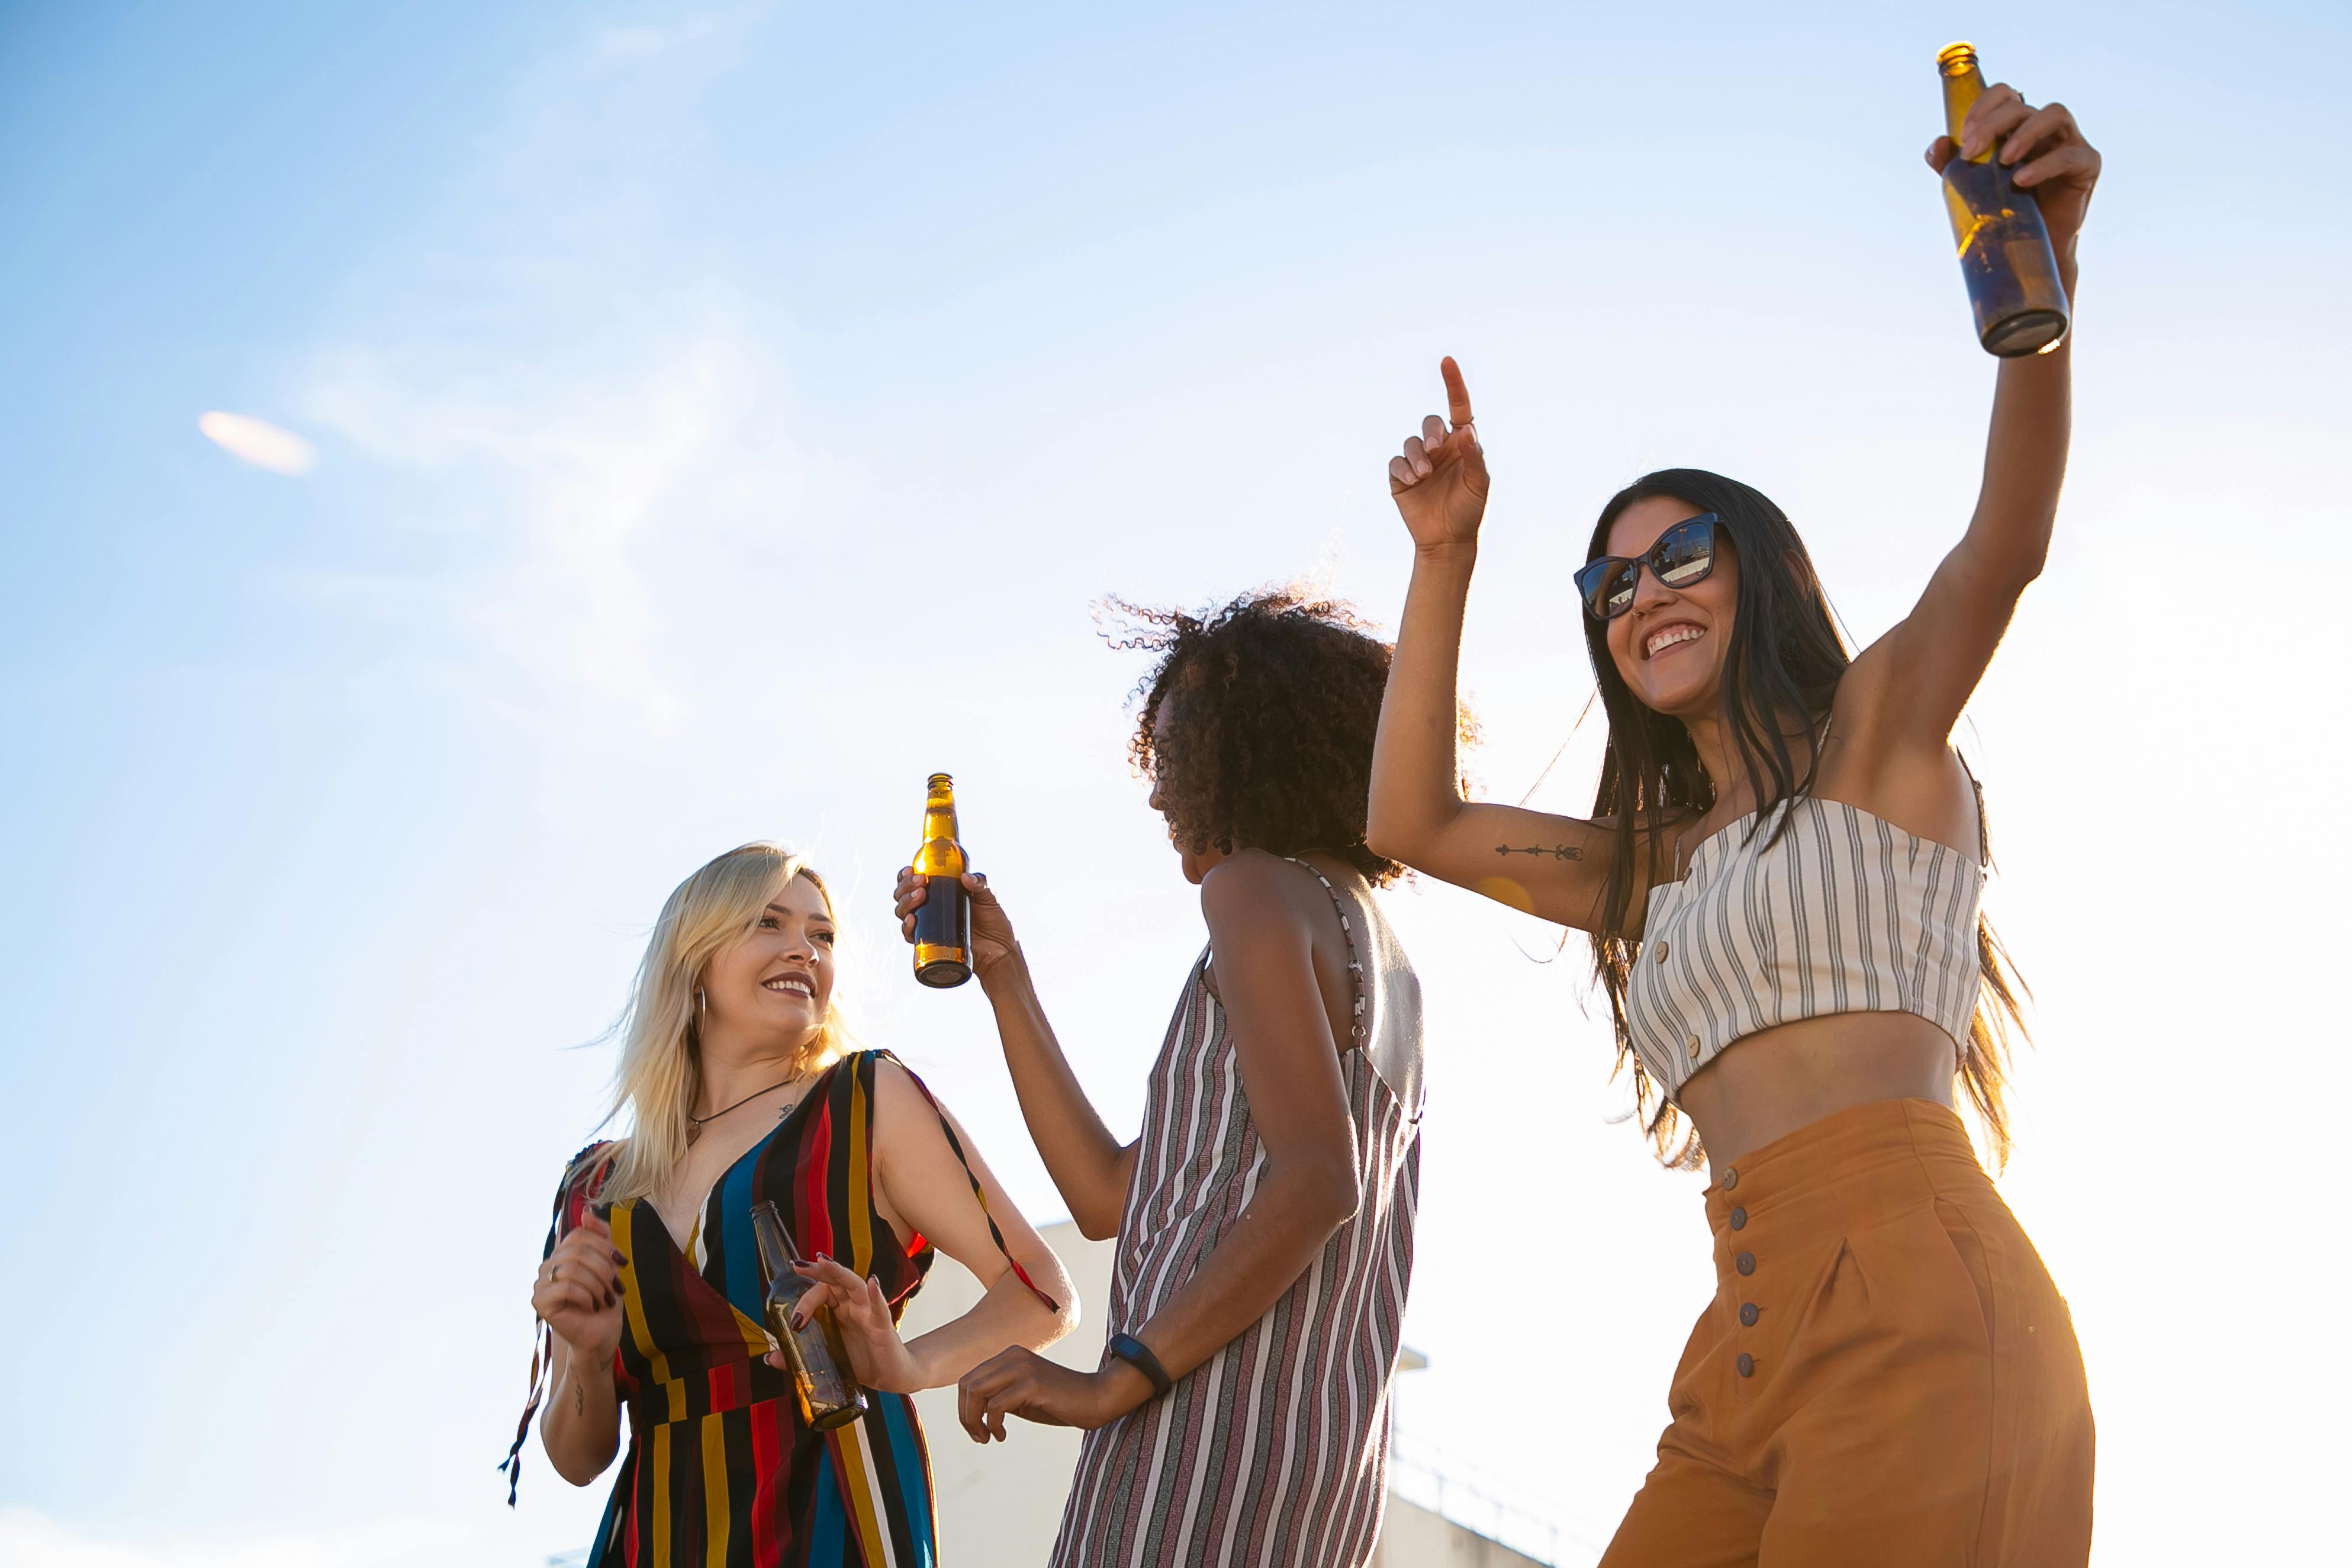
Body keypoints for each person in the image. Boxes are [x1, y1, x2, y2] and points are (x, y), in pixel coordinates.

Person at [1366, 83, 2100, 1566]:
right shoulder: (1649, 869)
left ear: (1754, 565)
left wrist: (2043, 290)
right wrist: (1446, 556)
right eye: (1607, 585)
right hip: (1737, 1351)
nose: (1641, 595)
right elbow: (1411, 819)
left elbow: (2003, 545)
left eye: (1676, 553)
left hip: (1924, 1311)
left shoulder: (1877, 735)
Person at [896, 590, 1426, 1568]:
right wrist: (1005, 978)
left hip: (1198, 1428)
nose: (1158, 792)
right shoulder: (1370, 944)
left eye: (1174, 757)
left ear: (1249, 757)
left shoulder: (1253, 889)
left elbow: (1317, 1179)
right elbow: (1108, 1198)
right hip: (1317, 1458)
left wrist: (1117, 1377)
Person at [502, 842, 1076, 1568]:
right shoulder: (596, 1185)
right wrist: (587, 1358)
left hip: (835, 1522)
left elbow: (1042, 1291)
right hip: (656, 1541)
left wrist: (907, 1364)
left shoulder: (867, 1102)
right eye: (768, 923)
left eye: (823, 934)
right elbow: (577, 1460)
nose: (803, 949)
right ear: (694, 958)